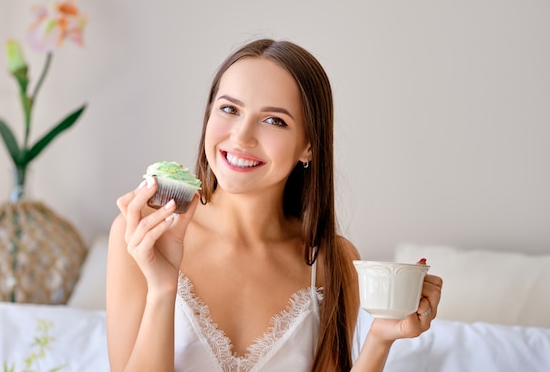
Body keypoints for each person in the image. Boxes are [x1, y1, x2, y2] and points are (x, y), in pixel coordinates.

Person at [106, 38, 443, 372]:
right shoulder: (141, 234)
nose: (241, 136)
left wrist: (381, 337)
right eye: (229, 109)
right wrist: (163, 289)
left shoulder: (332, 261)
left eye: (275, 120)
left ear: (308, 146)